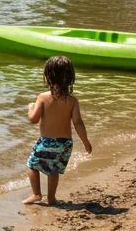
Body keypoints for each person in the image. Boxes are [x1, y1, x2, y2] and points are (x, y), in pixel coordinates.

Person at [23, 55, 92, 206]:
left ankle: (36, 194)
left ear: (48, 76)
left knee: (32, 166)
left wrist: (30, 108)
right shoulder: (73, 101)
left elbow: (33, 119)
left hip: (47, 141)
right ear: (70, 78)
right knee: (54, 170)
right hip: (65, 144)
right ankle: (51, 198)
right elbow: (78, 123)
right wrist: (86, 141)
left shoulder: (42, 97)